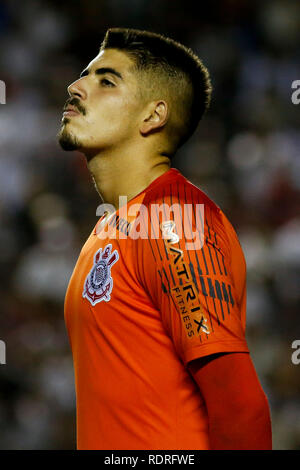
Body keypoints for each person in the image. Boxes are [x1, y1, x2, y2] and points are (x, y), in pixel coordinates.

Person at [57, 27, 272, 450]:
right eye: (85, 74)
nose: (75, 86)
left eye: (106, 81)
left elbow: (240, 404)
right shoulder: (112, 226)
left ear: (153, 116)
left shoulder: (174, 220)